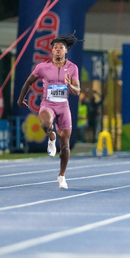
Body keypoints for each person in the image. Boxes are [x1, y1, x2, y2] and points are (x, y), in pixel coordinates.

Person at [17, 33, 81, 189]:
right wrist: (21, 99)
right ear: (51, 51)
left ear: (66, 51)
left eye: (61, 48)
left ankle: (62, 176)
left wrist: (69, 86)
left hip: (63, 107)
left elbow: (77, 91)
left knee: (65, 146)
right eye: (55, 48)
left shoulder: (72, 68)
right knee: (46, 124)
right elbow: (29, 82)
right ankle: (51, 136)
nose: (57, 50)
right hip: (48, 104)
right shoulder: (42, 67)